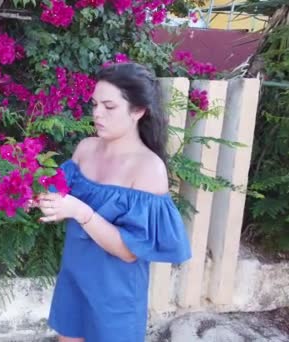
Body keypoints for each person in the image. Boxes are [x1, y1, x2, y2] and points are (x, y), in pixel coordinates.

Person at [34, 62, 192, 342]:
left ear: (138, 111)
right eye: (94, 104)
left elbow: (129, 251)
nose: (97, 114)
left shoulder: (148, 169)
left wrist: (81, 211)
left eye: (109, 106)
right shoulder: (86, 148)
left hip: (116, 296)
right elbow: (57, 191)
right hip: (75, 278)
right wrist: (33, 195)